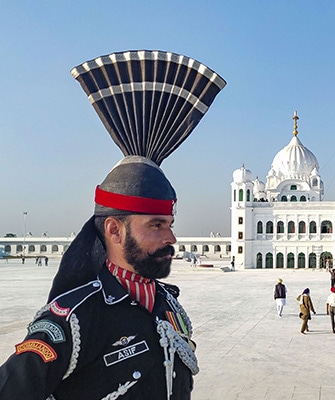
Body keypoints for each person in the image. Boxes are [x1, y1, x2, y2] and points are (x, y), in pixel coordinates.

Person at [0, 50, 226, 399]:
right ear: (114, 230)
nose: (171, 237)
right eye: (156, 225)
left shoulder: (167, 304)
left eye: (170, 223)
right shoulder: (74, 321)